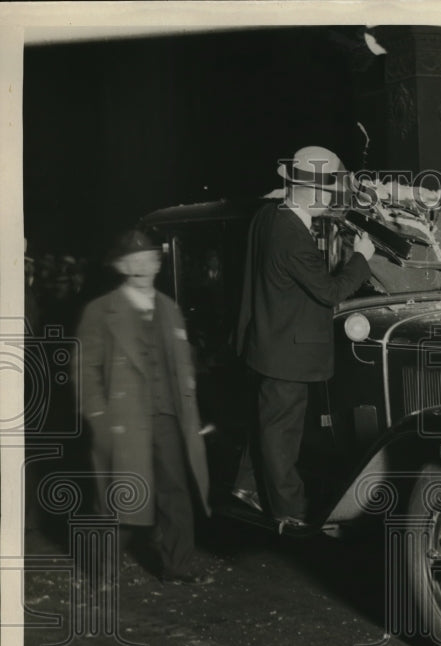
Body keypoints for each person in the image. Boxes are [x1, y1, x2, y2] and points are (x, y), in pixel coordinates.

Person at [233, 145, 375, 533]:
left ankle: (246, 485)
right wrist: (361, 257)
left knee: (267, 422)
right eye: (328, 192)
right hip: (287, 354)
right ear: (310, 192)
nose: (330, 200)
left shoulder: (269, 216)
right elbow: (330, 292)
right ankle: (288, 512)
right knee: (282, 435)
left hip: (268, 343)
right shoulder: (292, 235)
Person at [76, 230, 213, 585]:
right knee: (120, 493)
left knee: (175, 492)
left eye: (148, 259)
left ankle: (178, 566)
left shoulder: (169, 308)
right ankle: (104, 569)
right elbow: (83, 369)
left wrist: (192, 413)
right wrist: (98, 415)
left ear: (157, 264)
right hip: (123, 419)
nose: (141, 267)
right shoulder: (100, 311)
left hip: (168, 417)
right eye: (133, 261)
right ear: (122, 267)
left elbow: (183, 366)